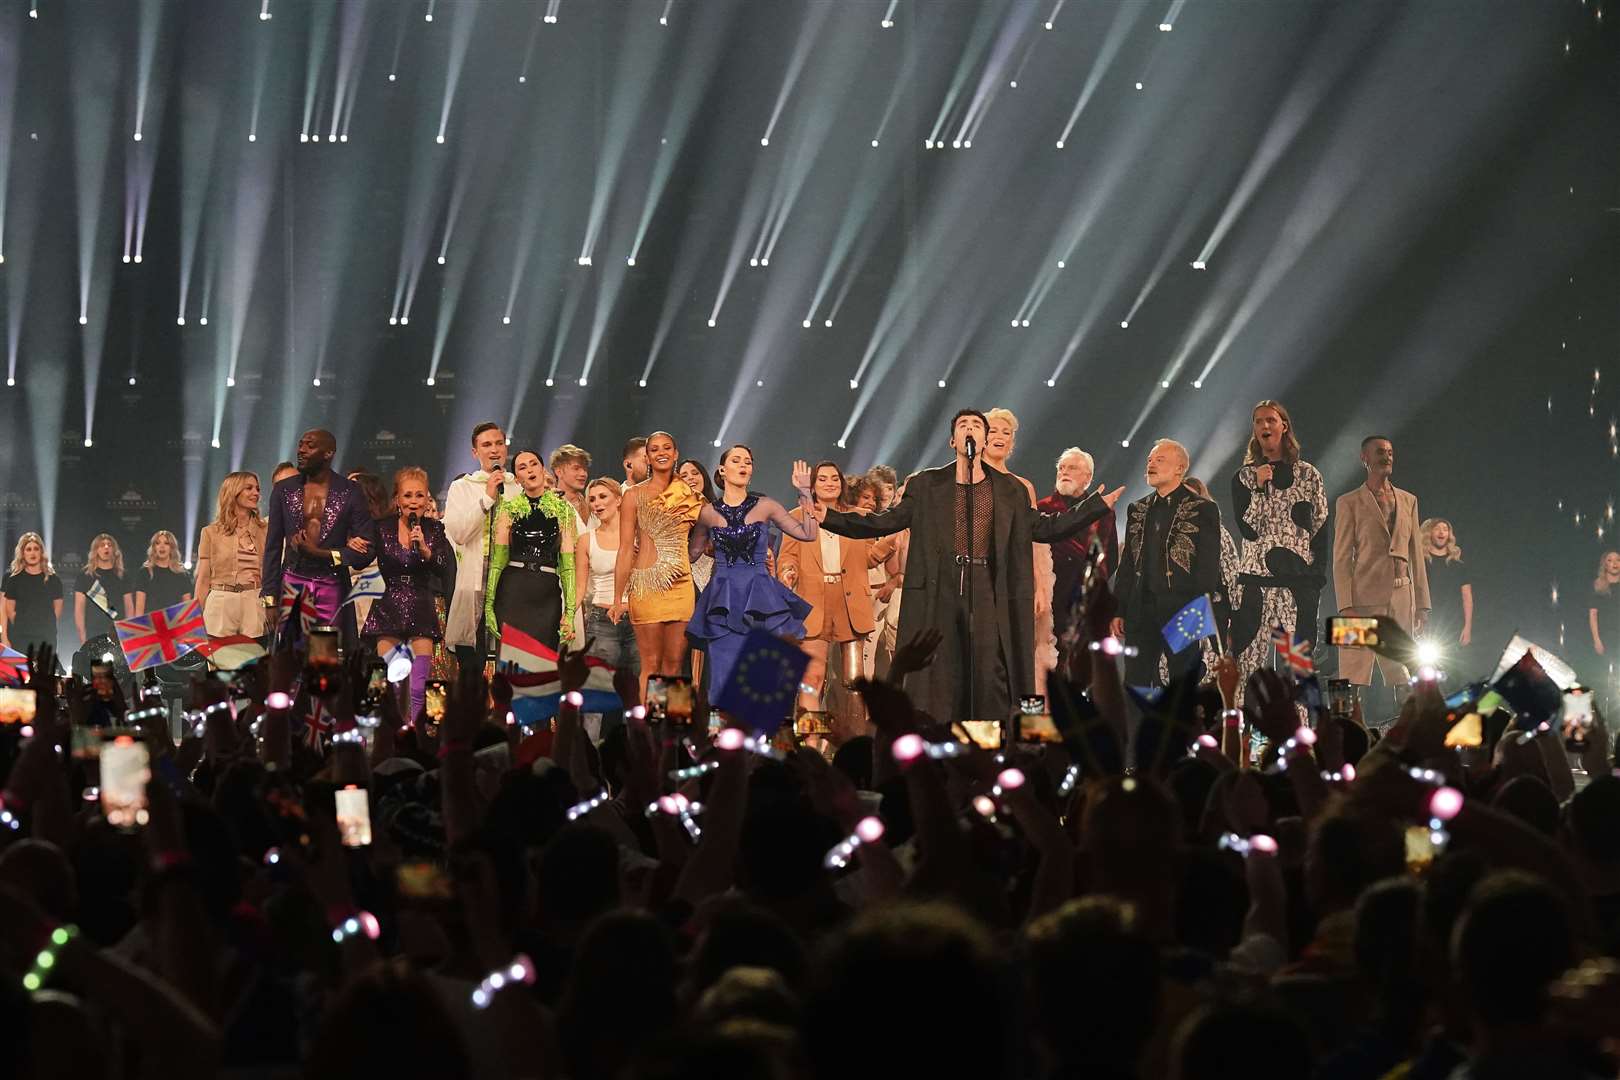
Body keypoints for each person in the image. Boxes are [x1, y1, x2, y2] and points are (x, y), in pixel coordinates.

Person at [820, 409, 1122, 722]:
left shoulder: (1011, 490)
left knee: (990, 671)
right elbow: (885, 522)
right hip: (942, 589)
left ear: (984, 438)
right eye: (963, 425)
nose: (970, 429)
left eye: (977, 425)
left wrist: (1095, 507)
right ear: (953, 440)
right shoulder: (926, 485)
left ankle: (993, 749)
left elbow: (1046, 528)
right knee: (941, 672)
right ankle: (943, 746)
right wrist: (829, 517)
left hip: (990, 587)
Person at [687, 447, 817, 698]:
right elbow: (691, 554)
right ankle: (717, 736)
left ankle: (761, 737)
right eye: (736, 461)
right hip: (722, 602)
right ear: (722, 470)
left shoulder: (765, 506)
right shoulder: (708, 512)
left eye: (748, 461)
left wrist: (804, 491)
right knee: (721, 679)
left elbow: (808, 533)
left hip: (760, 600)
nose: (743, 465)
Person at [1229, 400, 1329, 693]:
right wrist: (1259, 487)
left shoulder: (1308, 475)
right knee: (1247, 665)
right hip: (1255, 582)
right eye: (1258, 421)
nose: (1264, 426)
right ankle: (1245, 734)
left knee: (1298, 668)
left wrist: (1316, 579)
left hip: (1297, 583)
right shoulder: (1244, 477)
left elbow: (1321, 527)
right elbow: (1248, 528)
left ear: (1284, 426)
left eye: (1271, 420)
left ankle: (1299, 734)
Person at [1110, 440, 1223, 687]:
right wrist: (1119, 608)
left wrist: (1196, 610)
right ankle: (1140, 726)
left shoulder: (1203, 509)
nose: (1151, 464)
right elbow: (1128, 563)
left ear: (1179, 468)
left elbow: (1208, 566)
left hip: (1183, 609)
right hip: (1141, 610)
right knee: (1136, 683)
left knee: (1182, 685)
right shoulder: (1137, 509)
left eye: (1159, 460)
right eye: (1150, 459)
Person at [779, 462, 877, 735]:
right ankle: (811, 744)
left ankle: (857, 745)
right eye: (822, 478)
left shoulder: (858, 516)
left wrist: (892, 540)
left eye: (835, 478)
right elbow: (787, 556)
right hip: (814, 602)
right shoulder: (797, 516)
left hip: (851, 603)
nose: (830, 482)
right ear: (812, 485)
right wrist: (787, 571)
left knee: (855, 681)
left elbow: (869, 557)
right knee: (812, 678)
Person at [261, 429, 378, 645]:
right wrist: (269, 599)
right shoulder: (283, 490)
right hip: (293, 582)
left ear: (328, 453)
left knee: (326, 661)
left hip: (332, 583)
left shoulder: (350, 491)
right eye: (300, 444)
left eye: (310, 445)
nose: (301, 450)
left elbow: (367, 551)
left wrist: (322, 554)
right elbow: (272, 547)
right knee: (292, 663)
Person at [1332, 435, 1429, 692]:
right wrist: (1345, 605)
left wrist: (1422, 604)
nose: (1387, 456)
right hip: (1362, 598)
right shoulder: (1348, 502)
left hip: (1401, 596)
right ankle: (1345, 727)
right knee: (1352, 670)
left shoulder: (1409, 500)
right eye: (1379, 452)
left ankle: (1406, 727)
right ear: (1365, 458)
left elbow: (1416, 555)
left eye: (1390, 452)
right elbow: (1341, 557)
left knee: (1403, 669)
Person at [612, 432, 703, 700]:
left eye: (667, 448)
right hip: (647, 585)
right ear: (648, 457)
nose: (661, 452)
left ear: (676, 454)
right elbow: (626, 548)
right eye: (654, 449)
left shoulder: (690, 496)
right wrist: (619, 597)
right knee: (651, 664)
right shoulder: (634, 496)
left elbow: (715, 527)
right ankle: (647, 735)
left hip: (682, 585)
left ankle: (672, 733)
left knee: (675, 664)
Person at [363, 467, 456, 720]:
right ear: (397, 500)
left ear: (427, 500)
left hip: (421, 605)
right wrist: (350, 546)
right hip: (389, 606)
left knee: (419, 685)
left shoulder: (434, 529)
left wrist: (425, 550)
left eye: (419, 495)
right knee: (384, 682)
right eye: (407, 496)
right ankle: (380, 734)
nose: (413, 502)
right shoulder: (381, 528)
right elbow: (362, 559)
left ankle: (423, 734)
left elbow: (443, 566)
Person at [1036, 447, 1118, 685]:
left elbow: (1110, 555)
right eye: (1061, 467)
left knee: (1086, 672)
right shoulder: (1042, 509)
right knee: (1048, 669)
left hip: (1087, 603)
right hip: (1051, 602)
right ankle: (1041, 721)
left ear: (1088, 477)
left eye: (1072, 467)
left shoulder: (1104, 511)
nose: (1064, 472)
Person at [442, 422, 521, 661]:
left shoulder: (518, 487)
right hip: (474, 584)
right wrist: (487, 497)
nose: (494, 450)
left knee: (510, 661)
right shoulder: (462, 487)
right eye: (486, 445)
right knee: (471, 663)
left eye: (499, 443)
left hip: (510, 585)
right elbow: (459, 534)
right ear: (475, 452)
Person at [486, 450, 578, 651]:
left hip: (547, 593)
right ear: (517, 480)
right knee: (513, 666)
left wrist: (570, 612)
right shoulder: (508, 510)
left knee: (543, 668)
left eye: (533, 464)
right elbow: (498, 562)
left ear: (543, 470)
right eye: (522, 467)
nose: (530, 470)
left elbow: (568, 566)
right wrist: (489, 606)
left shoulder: (564, 510)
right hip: (513, 592)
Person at [574, 478, 640, 709]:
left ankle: (642, 744)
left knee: (639, 693)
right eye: (592, 499)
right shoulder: (586, 540)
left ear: (619, 500)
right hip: (602, 620)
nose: (596, 503)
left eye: (603, 497)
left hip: (638, 618)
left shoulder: (640, 536)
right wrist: (568, 616)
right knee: (595, 695)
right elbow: (580, 587)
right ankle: (589, 745)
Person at [194, 472, 268, 639]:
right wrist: (195, 615)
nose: (256, 493)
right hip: (220, 604)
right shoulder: (210, 532)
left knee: (253, 663)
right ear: (233, 492)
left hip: (254, 602)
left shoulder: (265, 530)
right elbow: (203, 579)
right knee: (221, 663)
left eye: (257, 489)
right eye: (248, 488)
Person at [1, 533, 64, 656]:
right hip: (20, 636)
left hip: (46, 636)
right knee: (20, 673)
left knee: (45, 673)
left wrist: (44, 624)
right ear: (22, 553)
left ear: (41, 552)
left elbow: (57, 609)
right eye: (28, 549)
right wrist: (19, 627)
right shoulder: (12, 579)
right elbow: (7, 609)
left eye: (36, 549)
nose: (32, 553)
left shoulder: (53, 580)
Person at [1421, 516, 1473, 659]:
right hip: (1424, 622)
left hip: (1450, 624)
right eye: (1437, 528)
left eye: (1445, 529)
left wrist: (1467, 627)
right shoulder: (1420, 562)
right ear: (1429, 533)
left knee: (1447, 666)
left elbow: (1467, 597)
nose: (1441, 532)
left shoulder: (1458, 566)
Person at [74, 533, 134, 645]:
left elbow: (129, 608)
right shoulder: (85, 576)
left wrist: (129, 634)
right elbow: (79, 610)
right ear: (95, 550)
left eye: (109, 545)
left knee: (118, 663)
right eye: (102, 545)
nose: (106, 547)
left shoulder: (123, 576)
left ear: (114, 550)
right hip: (93, 634)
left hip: (118, 633)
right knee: (97, 663)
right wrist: (82, 637)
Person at [677, 459, 716, 595]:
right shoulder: (671, 516)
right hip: (684, 583)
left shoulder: (720, 510)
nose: (691, 478)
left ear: (704, 477)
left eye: (695, 473)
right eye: (684, 476)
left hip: (717, 581)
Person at [133, 531, 192, 616]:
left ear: (172, 547)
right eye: (157, 543)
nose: (162, 546)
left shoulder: (182, 574)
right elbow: (139, 609)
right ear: (154, 547)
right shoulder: (145, 573)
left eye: (166, 543)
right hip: (152, 625)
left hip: (175, 625)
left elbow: (187, 608)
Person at [551, 444, 595, 533]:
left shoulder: (590, 504)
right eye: (576, 468)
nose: (583, 474)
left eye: (585, 469)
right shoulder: (548, 503)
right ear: (558, 471)